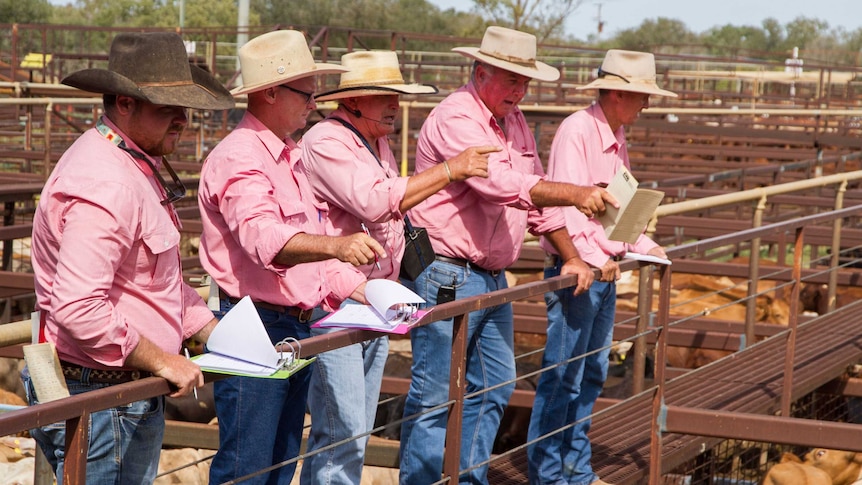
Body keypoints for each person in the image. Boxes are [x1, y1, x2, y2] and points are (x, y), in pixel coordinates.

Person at [399, 26, 618, 485]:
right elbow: (502, 183)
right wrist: (575, 193)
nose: (519, 91)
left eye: (525, 82)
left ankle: (469, 479)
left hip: (489, 275)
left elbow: (534, 198)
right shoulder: (457, 117)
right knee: (435, 392)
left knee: (496, 383)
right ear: (480, 73)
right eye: (510, 79)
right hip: (446, 270)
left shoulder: (512, 121)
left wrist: (572, 256)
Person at [25, 32, 234, 484]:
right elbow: (79, 307)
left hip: (113, 390)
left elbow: (147, 278)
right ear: (124, 103)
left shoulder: (127, 162)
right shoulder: (108, 183)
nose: (182, 119)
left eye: (185, 106)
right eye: (166, 107)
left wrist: (205, 326)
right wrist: (163, 360)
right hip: (103, 395)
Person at [197, 30, 385, 484]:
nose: (314, 102)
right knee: (249, 464)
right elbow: (265, 239)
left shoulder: (289, 156)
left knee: (278, 459)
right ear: (270, 92)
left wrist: (355, 285)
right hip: (255, 325)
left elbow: (310, 247)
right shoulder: (241, 157)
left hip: (290, 323)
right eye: (306, 92)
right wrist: (338, 247)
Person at [299, 50, 495, 485]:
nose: (395, 104)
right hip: (337, 300)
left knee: (352, 428)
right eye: (384, 96)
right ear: (353, 101)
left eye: (396, 95)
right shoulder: (326, 141)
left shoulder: (376, 141)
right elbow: (373, 200)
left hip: (372, 298)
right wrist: (449, 169)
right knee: (343, 430)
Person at [527, 49, 676, 485]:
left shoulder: (614, 134)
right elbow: (570, 204)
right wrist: (597, 258)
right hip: (579, 270)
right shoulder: (579, 131)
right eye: (640, 95)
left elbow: (618, 212)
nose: (646, 104)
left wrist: (645, 245)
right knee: (564, 374)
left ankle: (575, 470)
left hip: (601, 270)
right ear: (615, 94)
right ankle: (550, 474)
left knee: (588, 372)